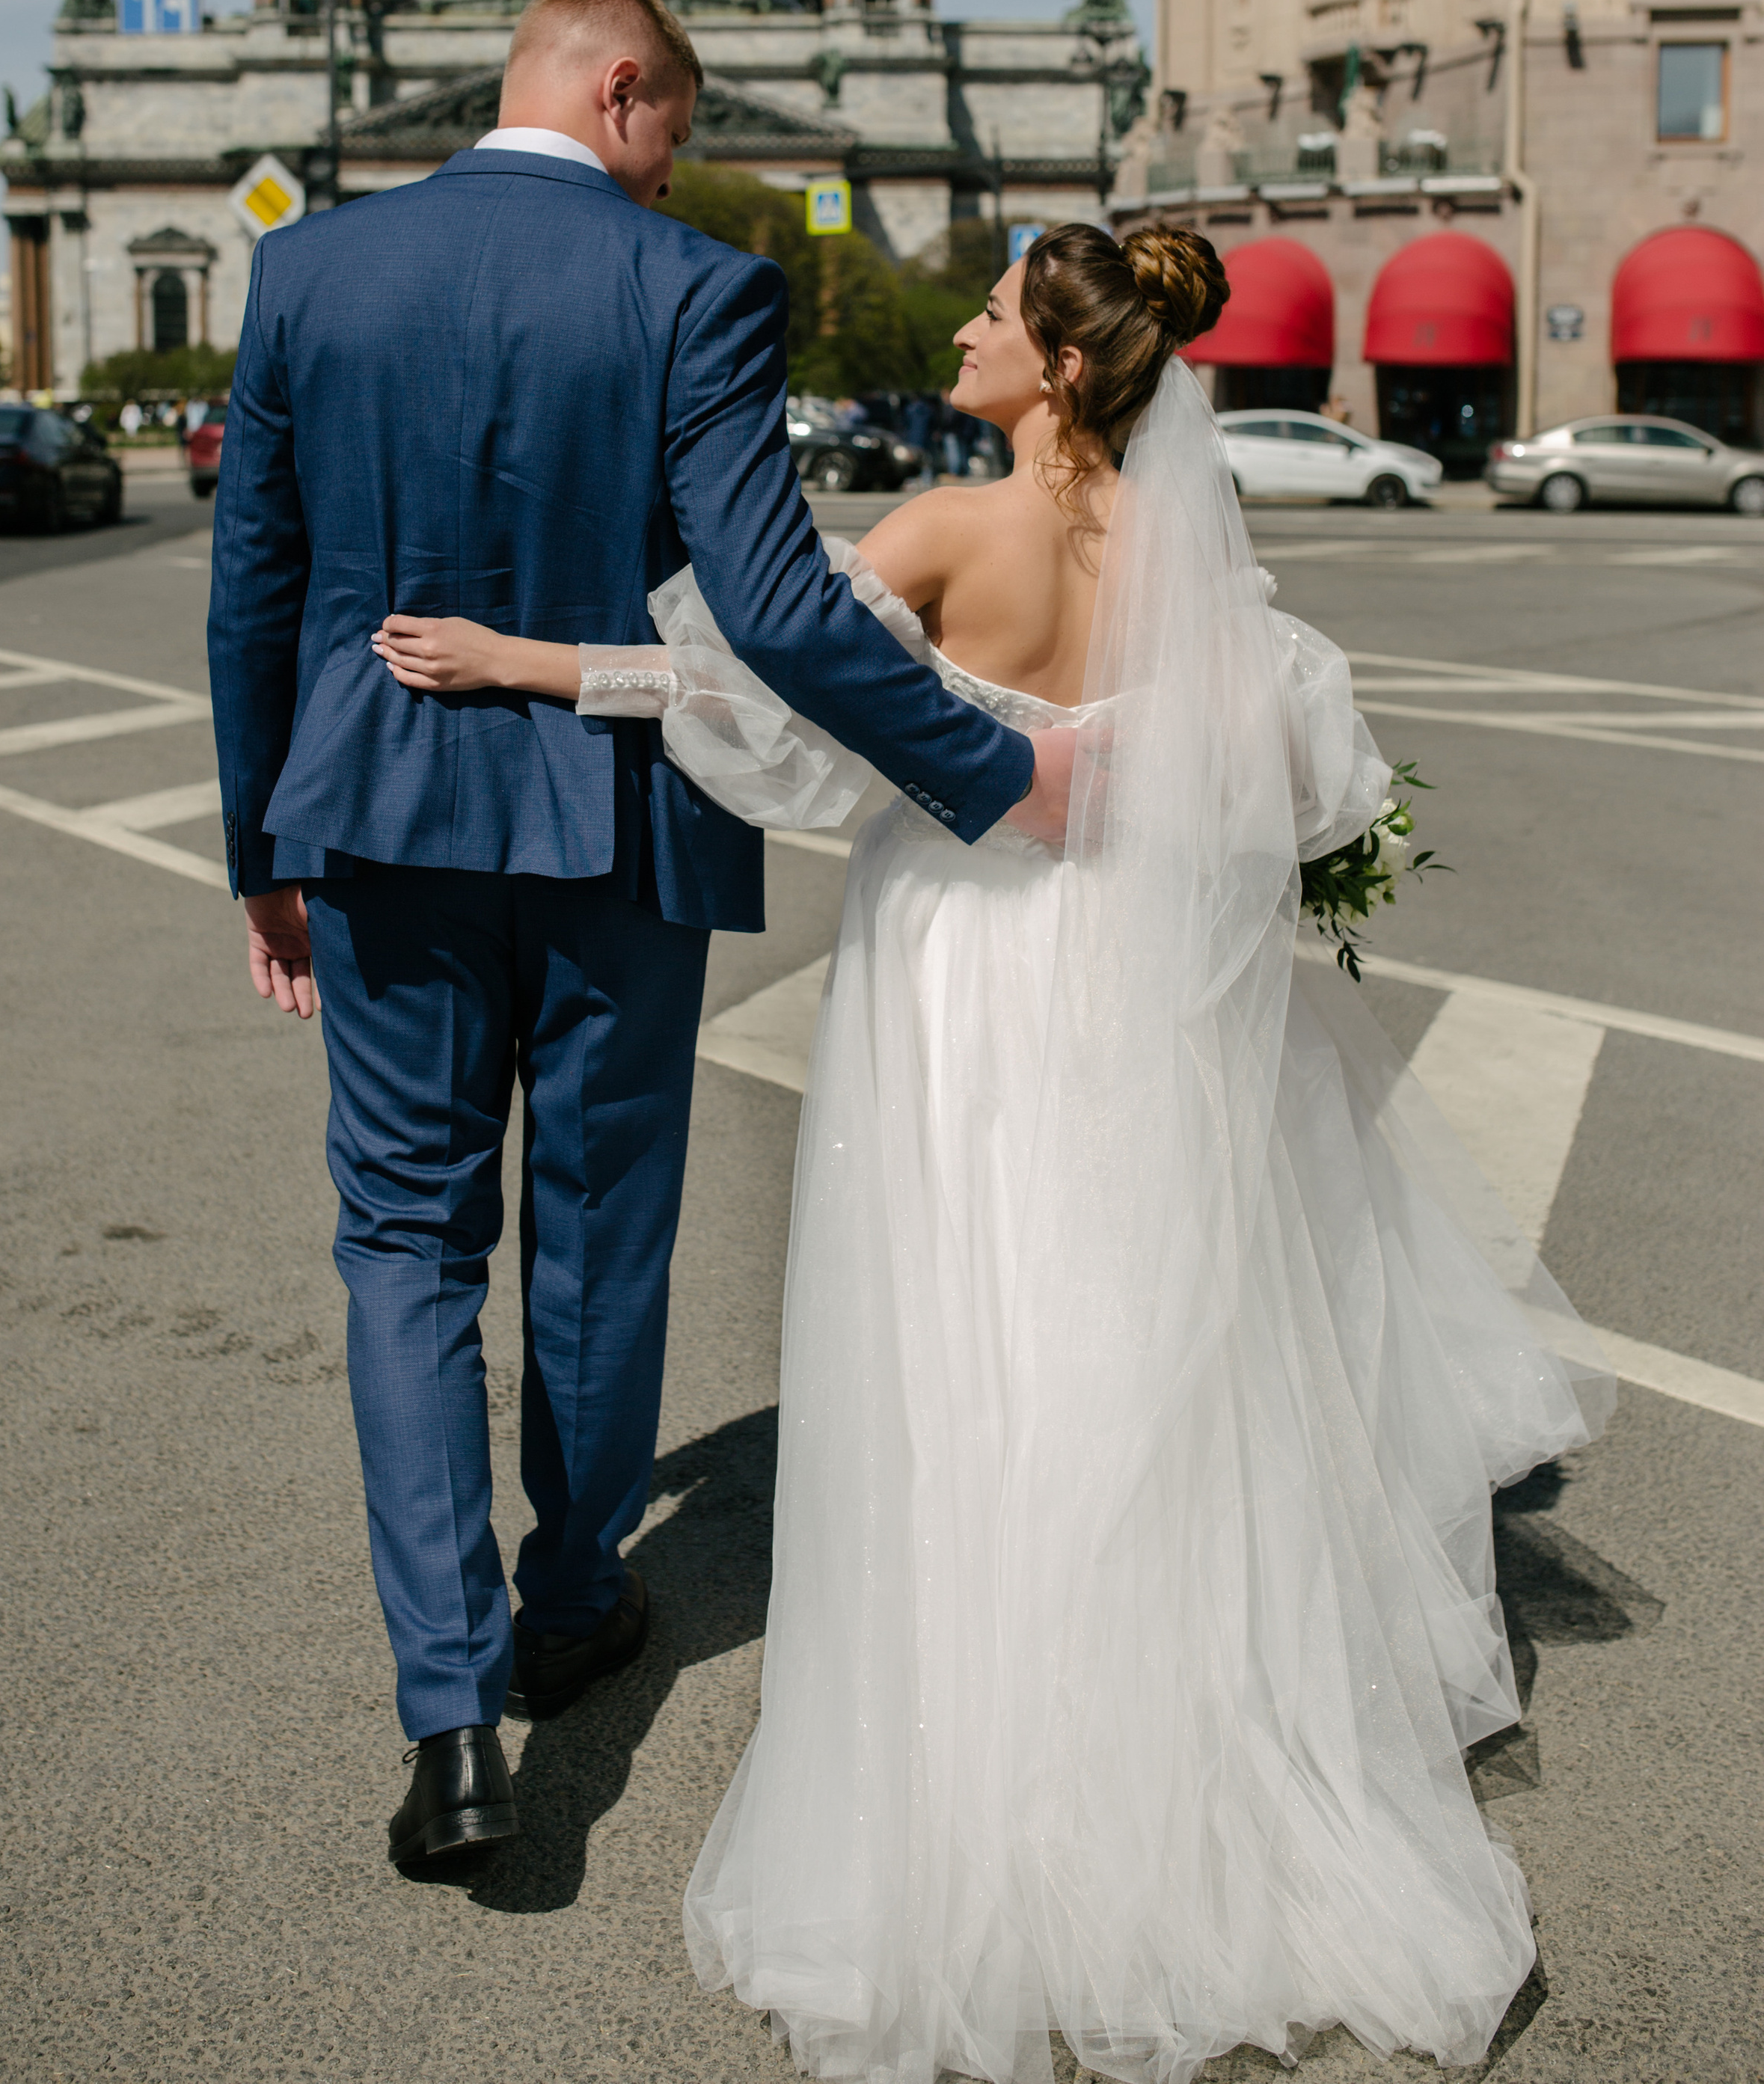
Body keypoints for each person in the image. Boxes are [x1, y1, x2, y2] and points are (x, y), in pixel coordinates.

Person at [375, 223, 1613, 2082]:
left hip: (965, 977)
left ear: (1052, 365)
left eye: (989, 314)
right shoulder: (1193, 567)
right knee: (1138, 1344)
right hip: (1128, 987)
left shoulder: (955, 528)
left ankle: (987, 1760)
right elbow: (1315, 788)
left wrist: (531, 664)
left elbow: (756, 694)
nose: (958, 331)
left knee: (965, 1351)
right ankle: (1171, 1748)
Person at [204, 0, 1074, 1875]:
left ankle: (448, 1716)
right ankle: (574, 1593)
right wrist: (989, 770)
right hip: (615, 842)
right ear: (619, 89)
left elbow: (253, 584)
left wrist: (255, 840)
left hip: (372, 829)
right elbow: (769, 609)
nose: (672, 176)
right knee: (597, 1240)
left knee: (401, 1245)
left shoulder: (311, 274)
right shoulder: (685, 289)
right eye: (673, 132)